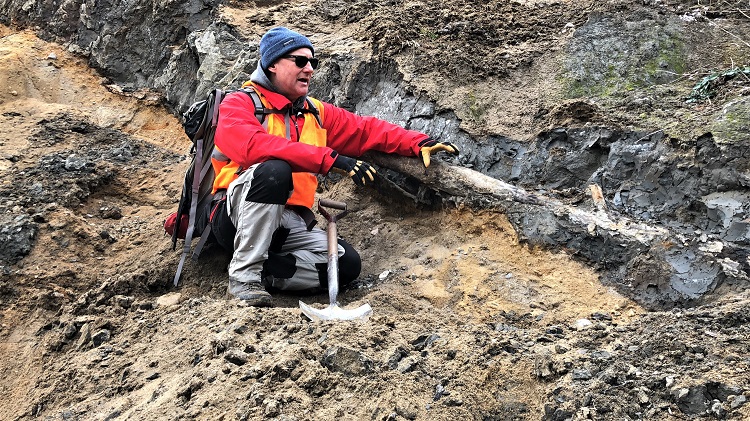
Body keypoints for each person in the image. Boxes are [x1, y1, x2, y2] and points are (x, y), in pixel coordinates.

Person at [210, 27, 459, 306]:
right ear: (272, 64)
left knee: (346, 264)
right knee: (274, 170)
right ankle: (244, 278)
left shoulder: (314, 111)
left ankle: (268, 273)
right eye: (300, 61)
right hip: (236, 216)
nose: (310, 69)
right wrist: (331, 159)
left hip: (287, 222)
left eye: (313, 62)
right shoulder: (238, 103)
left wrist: (418, 142)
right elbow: (254, 146)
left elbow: (365, 130)